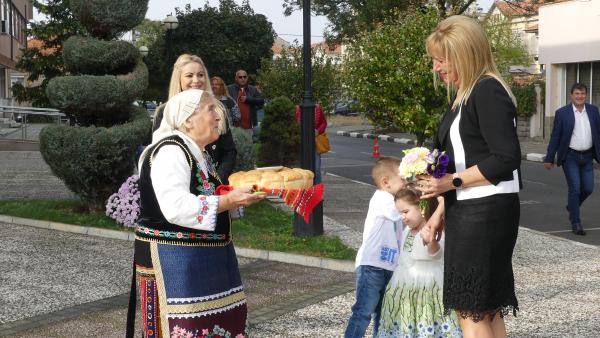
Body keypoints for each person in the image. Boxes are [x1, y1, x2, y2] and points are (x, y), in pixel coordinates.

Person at [126, 89, 264, 338]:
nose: (218, 117)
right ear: (187, 119)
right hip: (174, 261)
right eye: (211, 110)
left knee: (215, 325)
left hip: (200, 261)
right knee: (182, 329)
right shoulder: (171, 151)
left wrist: (232, 198)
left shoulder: (199, 153)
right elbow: (176, 207)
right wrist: (227, 201)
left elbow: (205, 195)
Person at [417, 15, 521, 338]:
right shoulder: (469, 92)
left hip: (483, 217)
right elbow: (473, 158)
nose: (436, 68)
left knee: (471, 310)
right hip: (476, 214)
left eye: (441, 60)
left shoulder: (486, 91)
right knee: (485, 309)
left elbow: (505, 158)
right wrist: (439, 213)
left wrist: (451, 182)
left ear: (465, 54)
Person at [378, 186, 462, 337]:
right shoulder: (407, 230)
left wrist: (431, 242)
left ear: (422, 207)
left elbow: (436, 254)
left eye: (406, 211)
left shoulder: (434, 229)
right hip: (404, 285)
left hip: (428, 284)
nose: (403, 217)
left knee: (427, 319)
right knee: (405, 322)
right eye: (400, 213)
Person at [345, 156, 405, 338]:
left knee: (384, 314)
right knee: (363, 312)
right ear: (386, 182)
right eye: (403, 179)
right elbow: (400, 213)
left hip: (389, 266)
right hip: (372, 266)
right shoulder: (382, 198)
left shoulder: (395, 201)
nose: (407, 183)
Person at [153, 54, 237, 183]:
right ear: (179, 79)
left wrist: (216, 181)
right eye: (189, 75)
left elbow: (229, 151)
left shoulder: (218, 109)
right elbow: (159, 154)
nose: (196, 80)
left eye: (200, 75)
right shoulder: (165, 112)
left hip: (215, 188)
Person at [543, 83, 600, 236]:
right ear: (571, 95)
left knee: (588, 188)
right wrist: (549, 158)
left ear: (586, 95)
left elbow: (598, 134)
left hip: (587, 156)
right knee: (575, 188)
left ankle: (572, 206)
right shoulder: (562, 113)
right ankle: (576, 222)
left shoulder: (593, 111)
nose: (580, 96)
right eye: (577, 94)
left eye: (582, 94)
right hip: (570, 157)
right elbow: (555, 136)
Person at [227, 69, 264, 140]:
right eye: (240, 77)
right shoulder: (229, 89)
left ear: (247, 78)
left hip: (249, 126)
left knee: (248, 147)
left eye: (244, 77)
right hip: (234, 126)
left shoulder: (253, 89)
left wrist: (248, 99)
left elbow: (261, 101)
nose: (243, 79)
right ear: (236, 78)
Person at [295, 103, 328, 183]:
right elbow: (294, 124)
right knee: (302, 168)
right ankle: (305, 187)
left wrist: (318, 130)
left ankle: (318, 187)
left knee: (316, 168)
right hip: (302, 142)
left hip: (315, 142)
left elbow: (324, 123)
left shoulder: (317, 108)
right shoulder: (297, 109)